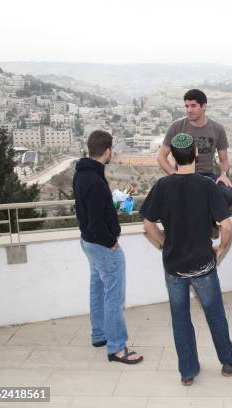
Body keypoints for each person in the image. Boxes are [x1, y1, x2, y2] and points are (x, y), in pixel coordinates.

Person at [141, 133, 232, 385]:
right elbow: (226, 227)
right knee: (215, 315)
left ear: (173, 156)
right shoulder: (207, 186)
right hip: (202, 265)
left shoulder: (162, 186)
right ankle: (229, 362)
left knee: (180, 319)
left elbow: (148, 224)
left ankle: (188, 372)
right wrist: (220, 250)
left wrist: (164, 243)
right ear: (194, 154)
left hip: (173, 266)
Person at [73, 130, 143, 364]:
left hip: (89, 243)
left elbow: (96, 210)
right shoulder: (94, 181)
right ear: (107, 151)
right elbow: (96, 221)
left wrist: (119, 200)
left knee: (97, 289)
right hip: (102, 245)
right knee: (114, 296)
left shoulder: (83, 174)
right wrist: (111, 241)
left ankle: (99, 335)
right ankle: (117, 348)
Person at [156, 89, 232, 207]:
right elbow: (161, 156)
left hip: (207, 175)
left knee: (229, 194)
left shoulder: (217, 129)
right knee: (162, 198)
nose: (189, 110)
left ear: (204, 106)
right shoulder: (177, 127)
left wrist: (223, 175)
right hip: (183, 174)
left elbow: (224, 159)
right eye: (187, 106)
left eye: (193, 106)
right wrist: (174, 174)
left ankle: (211, 221)